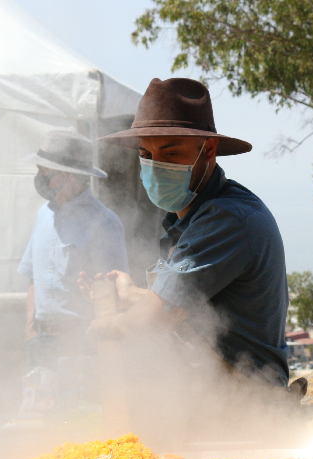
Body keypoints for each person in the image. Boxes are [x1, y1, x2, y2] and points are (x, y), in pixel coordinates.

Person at [90, 77, 291, 389]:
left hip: (247, 404)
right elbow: (181, 305)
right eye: (146, 154)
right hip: (211, 399)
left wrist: (104, 326)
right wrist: (126, 293)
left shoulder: (226, 219)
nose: (155, 167)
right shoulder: (186, 221)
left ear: (208, 149)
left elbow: (155, 319)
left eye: (171, 154)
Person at [17, 131, 128, 410]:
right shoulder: (43, 215)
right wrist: (31, 330)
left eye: (48, 173)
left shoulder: (103, 222)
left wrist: (99, 348)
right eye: (40, 171)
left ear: (73, 176)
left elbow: (114, 291)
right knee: (38, 422)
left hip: (82, 344)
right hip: (40, 343)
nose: (41, 180)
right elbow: (33, 277)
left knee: (79, 422)